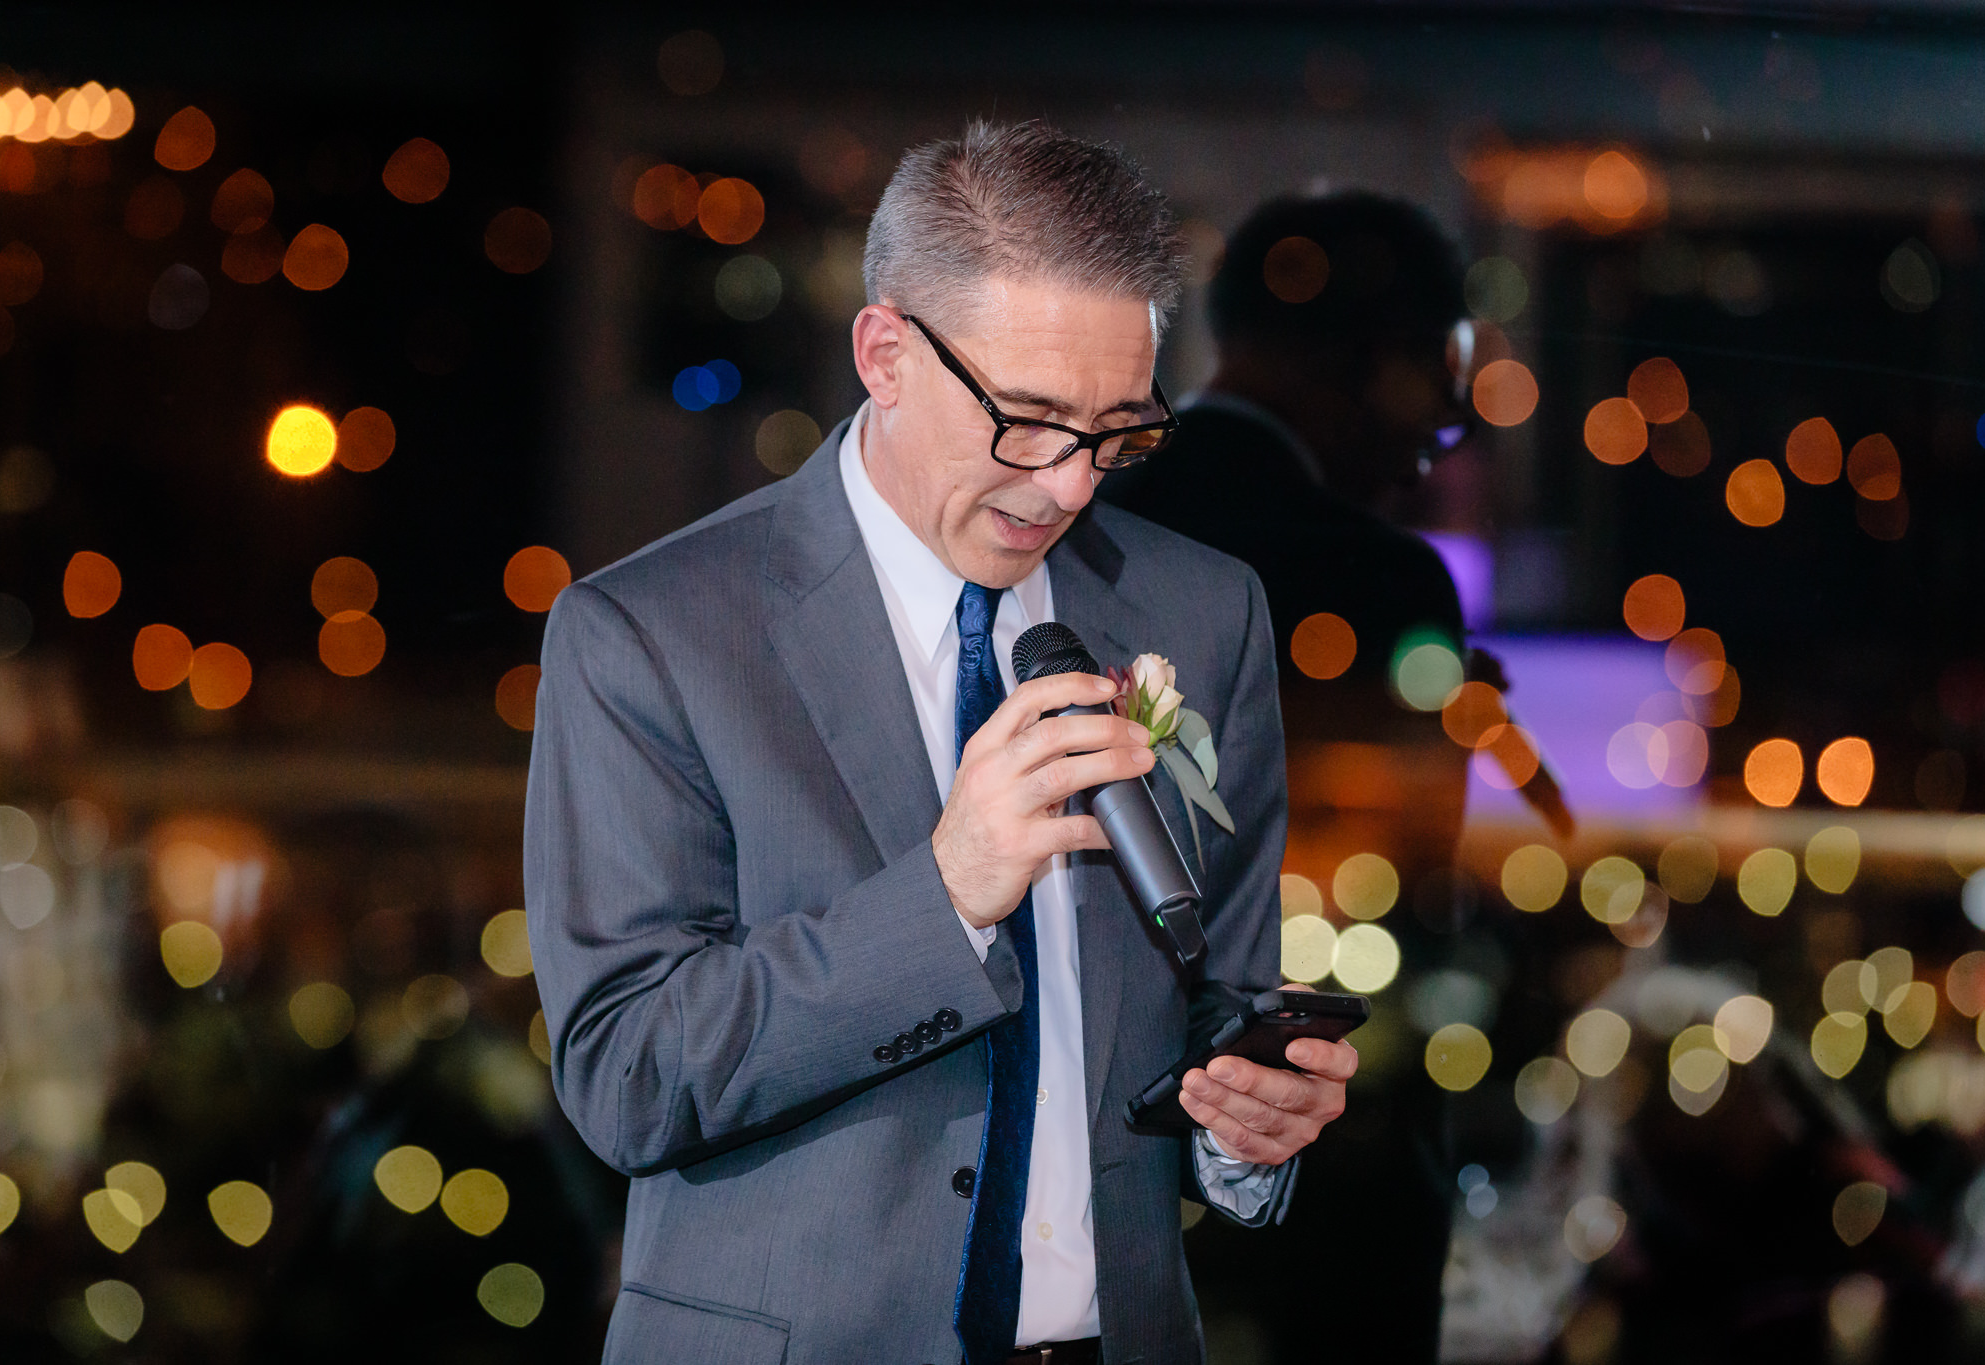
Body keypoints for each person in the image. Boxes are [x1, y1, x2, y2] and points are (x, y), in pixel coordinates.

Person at [524, 122, 1359, 1365]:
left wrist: (1244, 1130)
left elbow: (1215, 994)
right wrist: (948, 891)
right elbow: (630, 1076)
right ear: (884, 354)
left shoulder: (1201, 611)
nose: (1070, 486)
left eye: (1115, 431)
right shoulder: (650, 635)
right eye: (1024, 422)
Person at [1105, 193, 1477, 1360]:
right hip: (1320, 1144)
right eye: (1444, 366)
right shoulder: (1379, 576)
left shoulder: (1095, 519)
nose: (1453, 419)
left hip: (1108, 1149)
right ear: (1375, 360)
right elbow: (1411, 892)